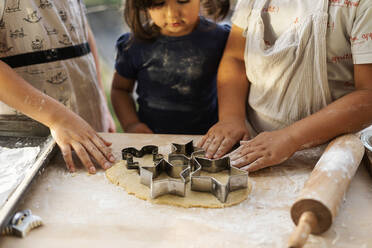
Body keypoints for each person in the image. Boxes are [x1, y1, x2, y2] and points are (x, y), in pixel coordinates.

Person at [199, 0, 372, 171]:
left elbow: (368, 96)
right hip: (252, 145)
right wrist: (231, 118)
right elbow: (236, 59)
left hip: (336, 155)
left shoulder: (362, 6)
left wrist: (291, 138)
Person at [0, 0, 116, 173]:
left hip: (89, 127)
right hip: (33, 144)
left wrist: (101, 104)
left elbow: (82, 34)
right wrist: (57, 118)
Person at [111, 0, 230, 134]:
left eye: (183, 1)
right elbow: (120, 89)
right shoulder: (132, 45)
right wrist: (131, 124)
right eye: (159, 3)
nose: (172, 14)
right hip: (153, 141)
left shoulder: (222, 39)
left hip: (207, 141)